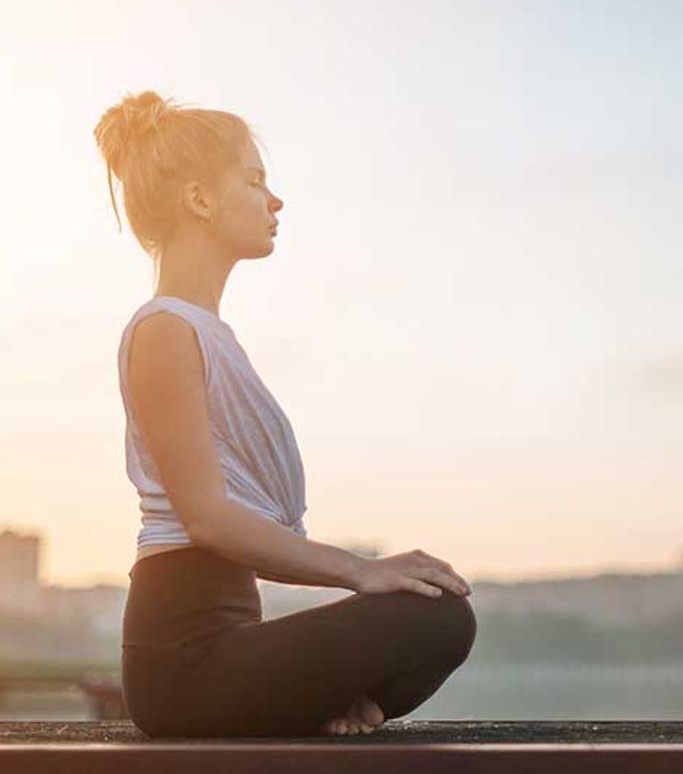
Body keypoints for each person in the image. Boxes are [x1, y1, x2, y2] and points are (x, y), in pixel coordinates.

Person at [94, 89, 476, 737]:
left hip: (229, 641)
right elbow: (206, 520)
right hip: (182, 667)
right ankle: (318, 699)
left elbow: (242, 531)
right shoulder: (164, 331)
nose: (275, 201)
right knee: (432, 614)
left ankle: (320, 700)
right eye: (253, 180)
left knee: (439, 604)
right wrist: (363, 570)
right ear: (200, 199)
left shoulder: (207, 334)